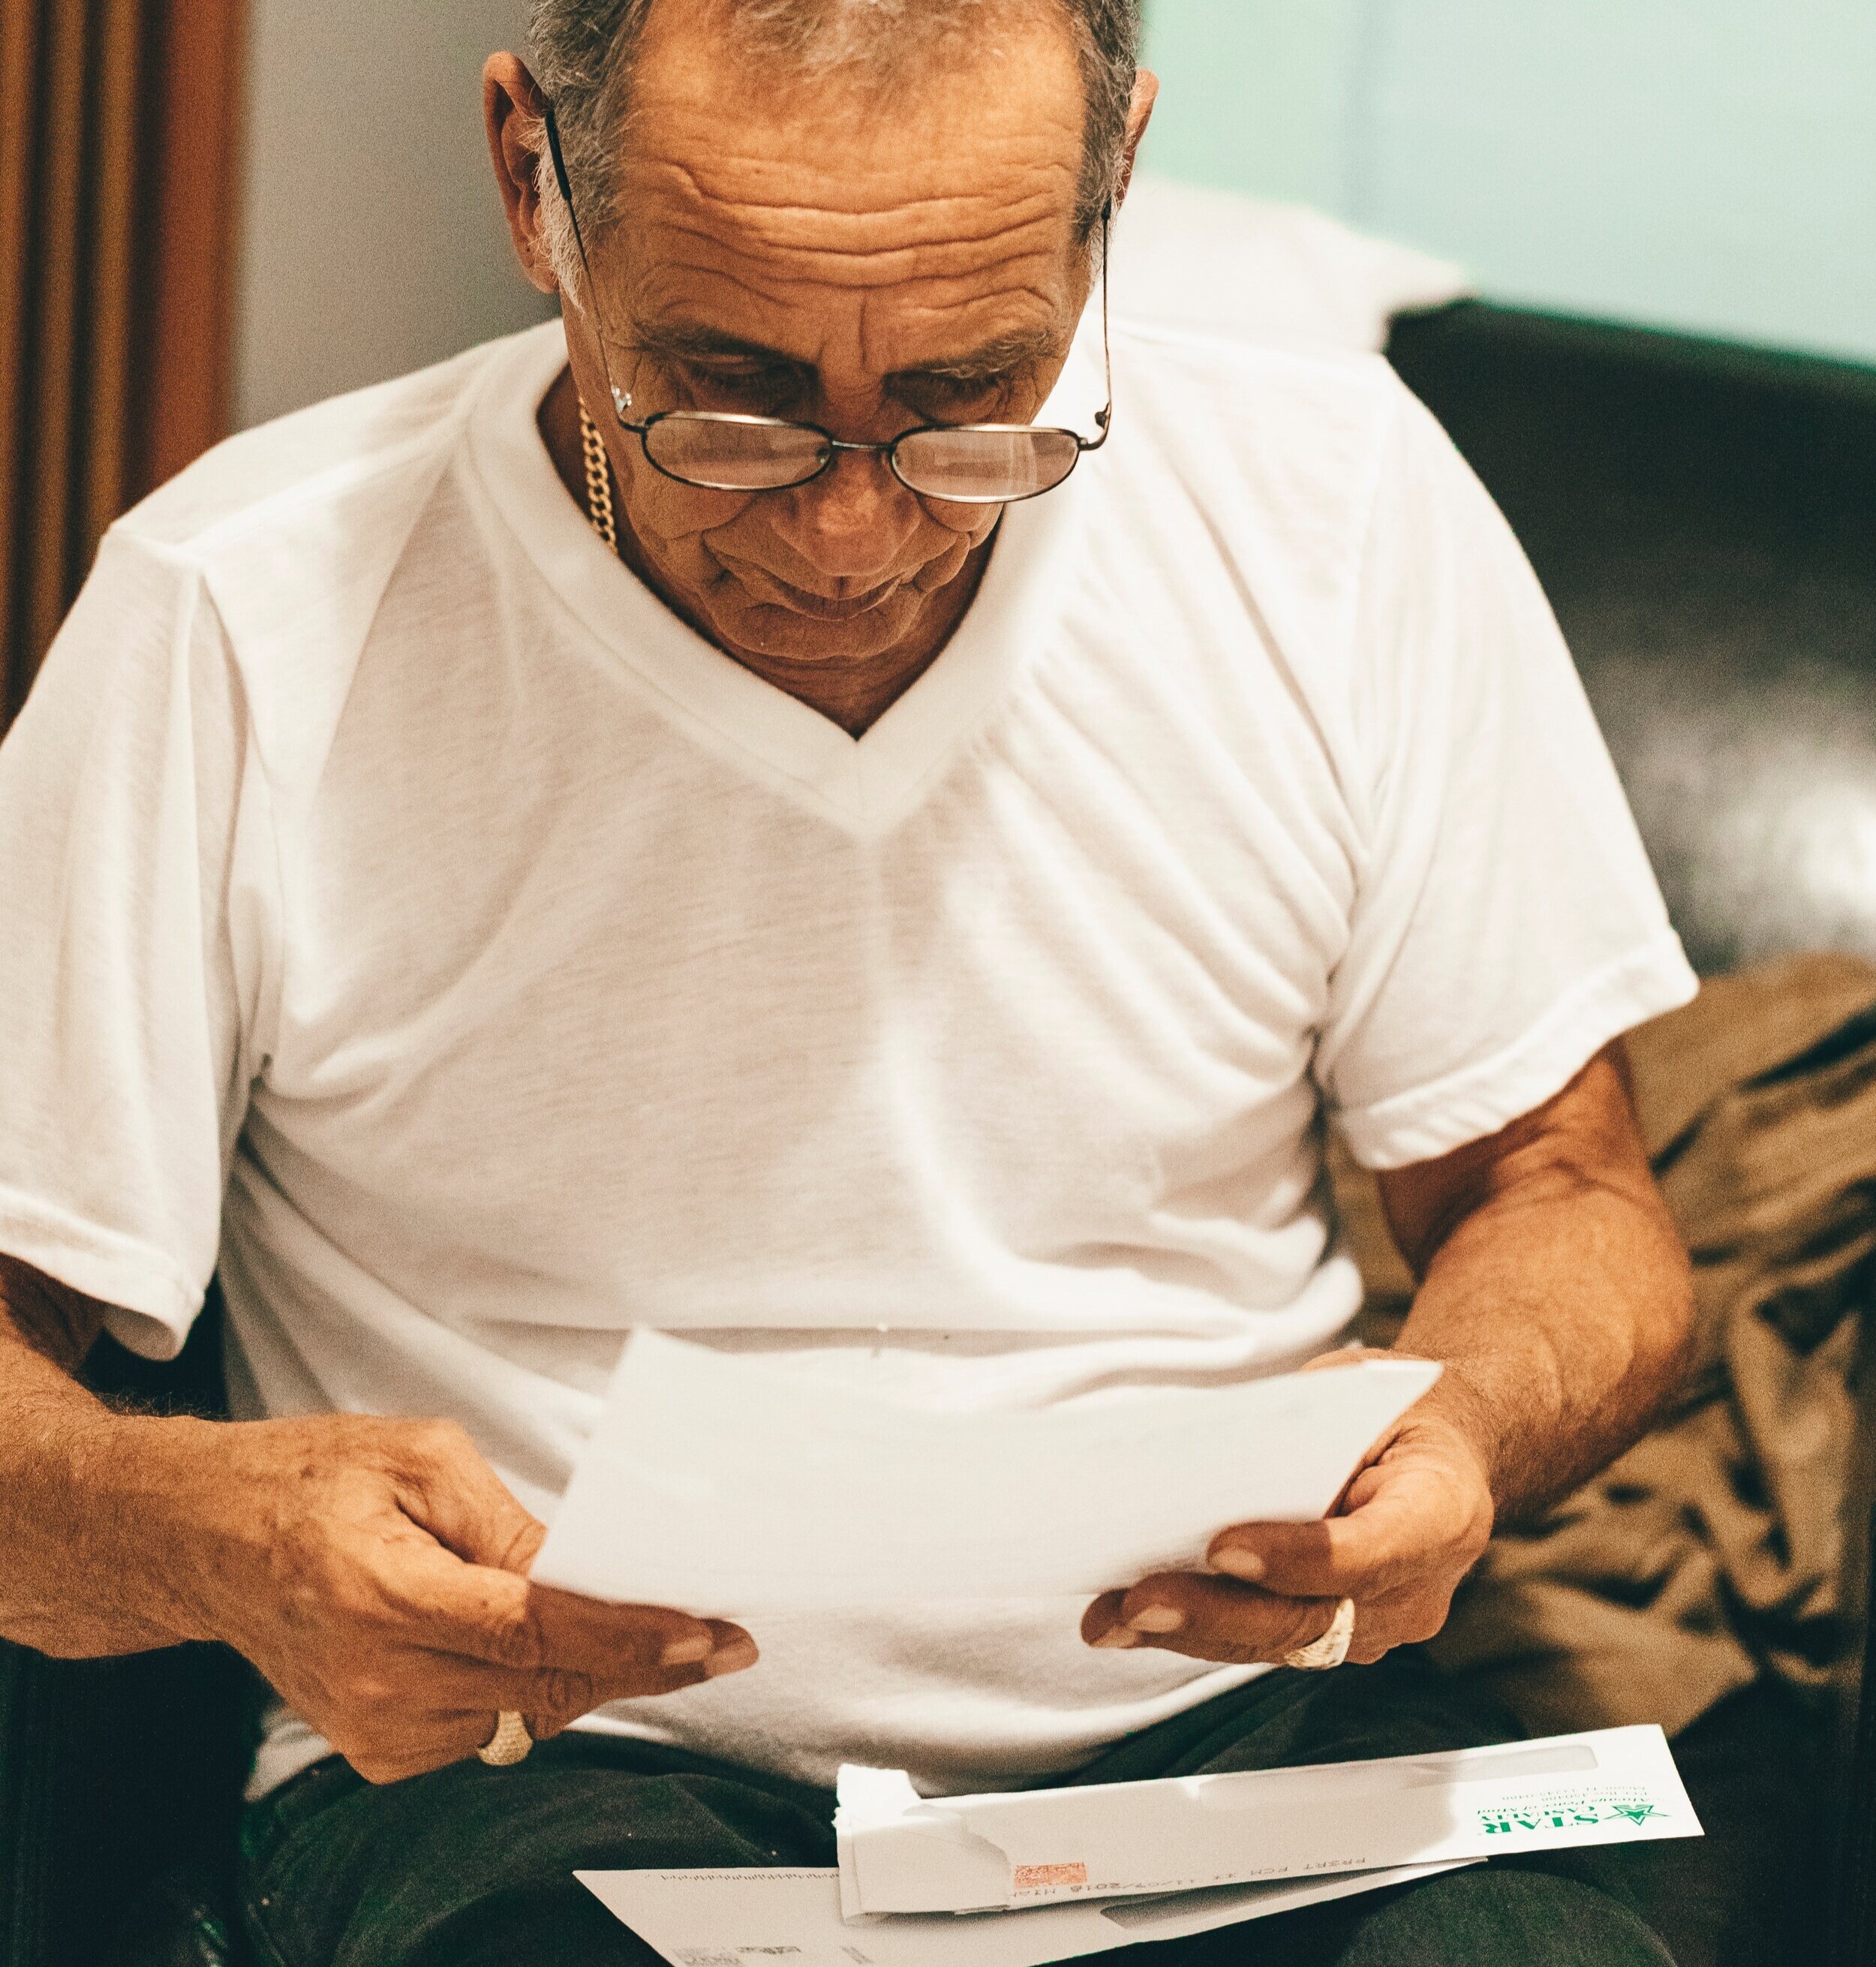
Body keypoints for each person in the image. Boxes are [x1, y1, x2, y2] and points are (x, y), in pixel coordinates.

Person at [0, 1, 1700, 1961]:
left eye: (974, 400)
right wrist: (207, 1538)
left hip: (1232, 1730)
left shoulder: (1335, 516)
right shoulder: (240, 611)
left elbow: (1561, 1193)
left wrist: (1461, 1423)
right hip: (540, 1762)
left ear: (1114, 181)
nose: (848, 534)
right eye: (730, 401)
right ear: (533, 184)